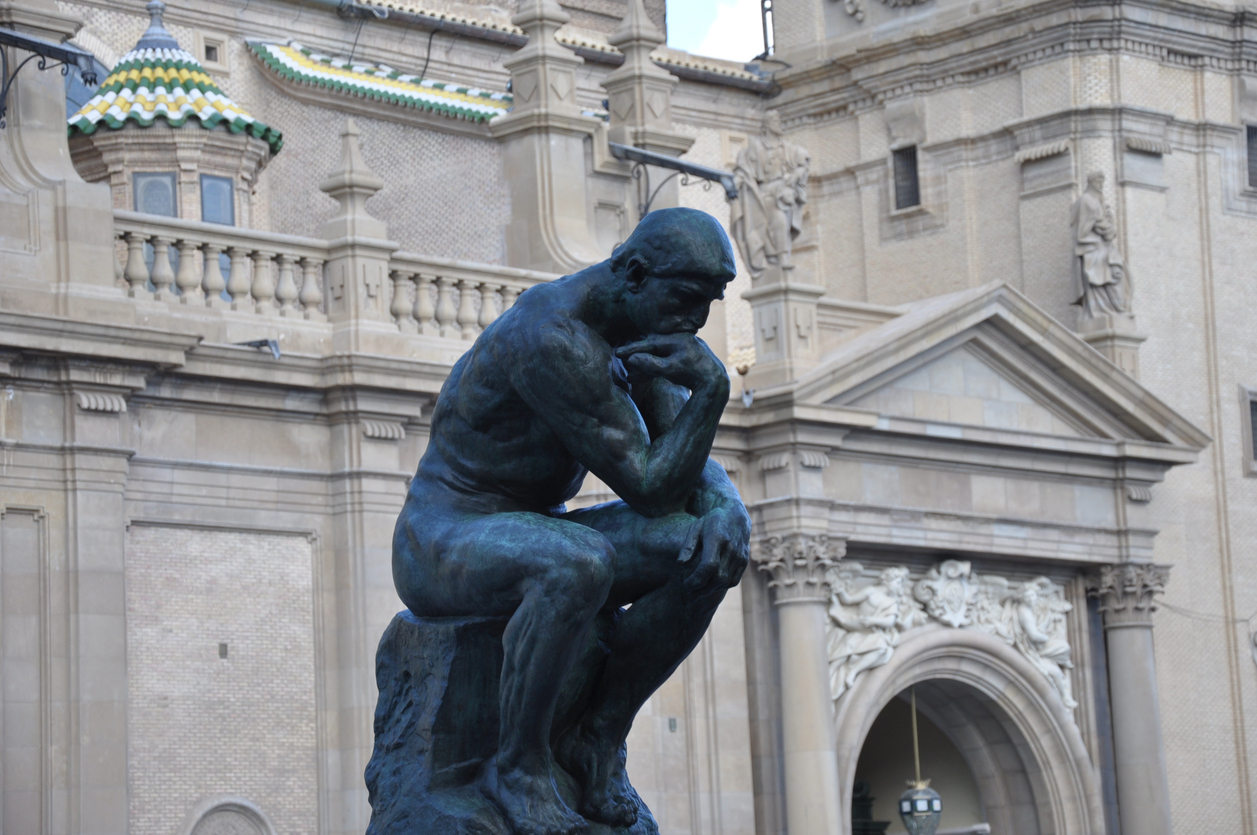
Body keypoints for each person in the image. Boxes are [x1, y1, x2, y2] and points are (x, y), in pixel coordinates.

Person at [392, 208, 752, 835]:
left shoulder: (638, 329)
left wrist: (727, 504)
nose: (696, 321)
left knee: (705, 549)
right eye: (689, 299)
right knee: (577, 563)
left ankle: (598, 739)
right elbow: (650, 485)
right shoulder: (551, 336)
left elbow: (686, 464)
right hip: (445, 535)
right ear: (636, 274)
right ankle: (519, 768)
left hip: (536, 525)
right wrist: (713, 392)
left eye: (710, 304)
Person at [729, 110, 811, 281]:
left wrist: (796, 175)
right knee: (774, 219)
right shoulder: (755, 148)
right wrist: (735, 183)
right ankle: (780, 257)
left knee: (781, 215)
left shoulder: (788, 149)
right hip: (764, 194)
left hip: (784, 192)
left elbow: (804, 162)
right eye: (775, 120)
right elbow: (743, 171)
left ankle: (782, 257)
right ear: (766, 125)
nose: (779, 123)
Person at [1070, 171, 1130, 319]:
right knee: (1108, 274)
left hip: (1099, 247)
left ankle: (1113, 310)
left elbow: (1100, 223)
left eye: (1102, 183)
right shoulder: (1088, 201)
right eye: (1098, 183)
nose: (1101, 186)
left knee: (1117, 271)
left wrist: (1109, 221)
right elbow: (1094, 224)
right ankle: (1104, 310)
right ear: (1091, 183)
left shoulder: (1095, 201)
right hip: (1091, 248)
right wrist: (1111, 227)